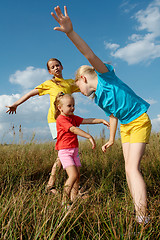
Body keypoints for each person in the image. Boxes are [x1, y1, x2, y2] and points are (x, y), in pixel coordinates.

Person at [51, 6, 152, 223]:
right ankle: (138, 211)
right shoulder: (98, 98)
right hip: (126, 125)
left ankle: (144, 218)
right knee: (128, 170)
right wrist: (111, 139)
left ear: (83, 78)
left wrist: (70, 32)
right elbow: (114, 116)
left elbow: (88, 53)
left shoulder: (106, 76)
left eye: (77, 85)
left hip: (139, 120)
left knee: (132, 168)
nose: (79, 90)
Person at [6, 58, 80, 194]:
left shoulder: (70, 83)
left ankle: (62, 185)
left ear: (62, 66)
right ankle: (52, 185)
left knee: (66, 151)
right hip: (55, 121)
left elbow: (86, 87)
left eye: (57, 65)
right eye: (53, 67)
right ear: (49, 71)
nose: (56, 68)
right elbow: (30, 93)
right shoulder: (49, 83)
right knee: (64, 151)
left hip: (69, 121)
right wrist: (16, 104)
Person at [54, 92, 109, 208]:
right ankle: (64, 200)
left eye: (73, 105)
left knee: (77, 176)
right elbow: (73, 129)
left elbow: (86, 120)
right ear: (60, 108)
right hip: (65, 151)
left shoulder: (73, 117)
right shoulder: (61, 119)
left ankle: (74, 199)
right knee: (72, 175)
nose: (72, 108)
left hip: (74, 151)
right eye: (69, 106)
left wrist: (100, 120)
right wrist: (88, 136)